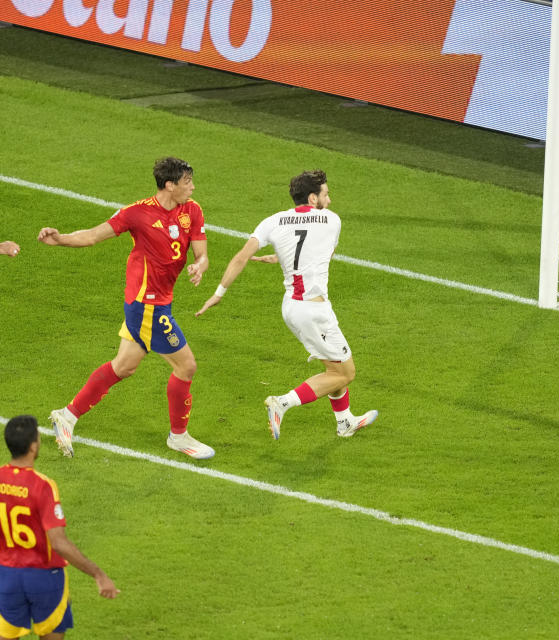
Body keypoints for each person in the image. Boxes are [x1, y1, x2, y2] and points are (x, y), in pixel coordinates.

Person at [37, 157, 215, 460]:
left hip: (158, 303)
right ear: (169, 185)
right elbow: (94, 235)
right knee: (186, 366)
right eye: (187, 182)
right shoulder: (137, 214)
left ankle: (67, 416)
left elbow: (202, 253)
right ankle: (178, 436)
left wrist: (200, 265)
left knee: (124, 366)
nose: (193, 187)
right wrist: (61, 239)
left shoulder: (192, 210)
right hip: (147, 306)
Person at [195, 169, 377, 440]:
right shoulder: (332, 220)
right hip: (314, 311)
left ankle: (345, 421)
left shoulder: (273, 221)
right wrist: (283, 257)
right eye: (326, 194)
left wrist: (219, 293)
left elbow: (241, 257)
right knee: (344, 373)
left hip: (291, 307)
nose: (330, 199)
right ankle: (282, 402)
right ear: (313, 197)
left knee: (334, 366)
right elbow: (321, 254)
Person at [0, 415, 117, 639]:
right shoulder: (42, 485)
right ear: (33, 446)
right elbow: (59, 543)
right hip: (45, 578)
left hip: (6, 576)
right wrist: (98, 574)